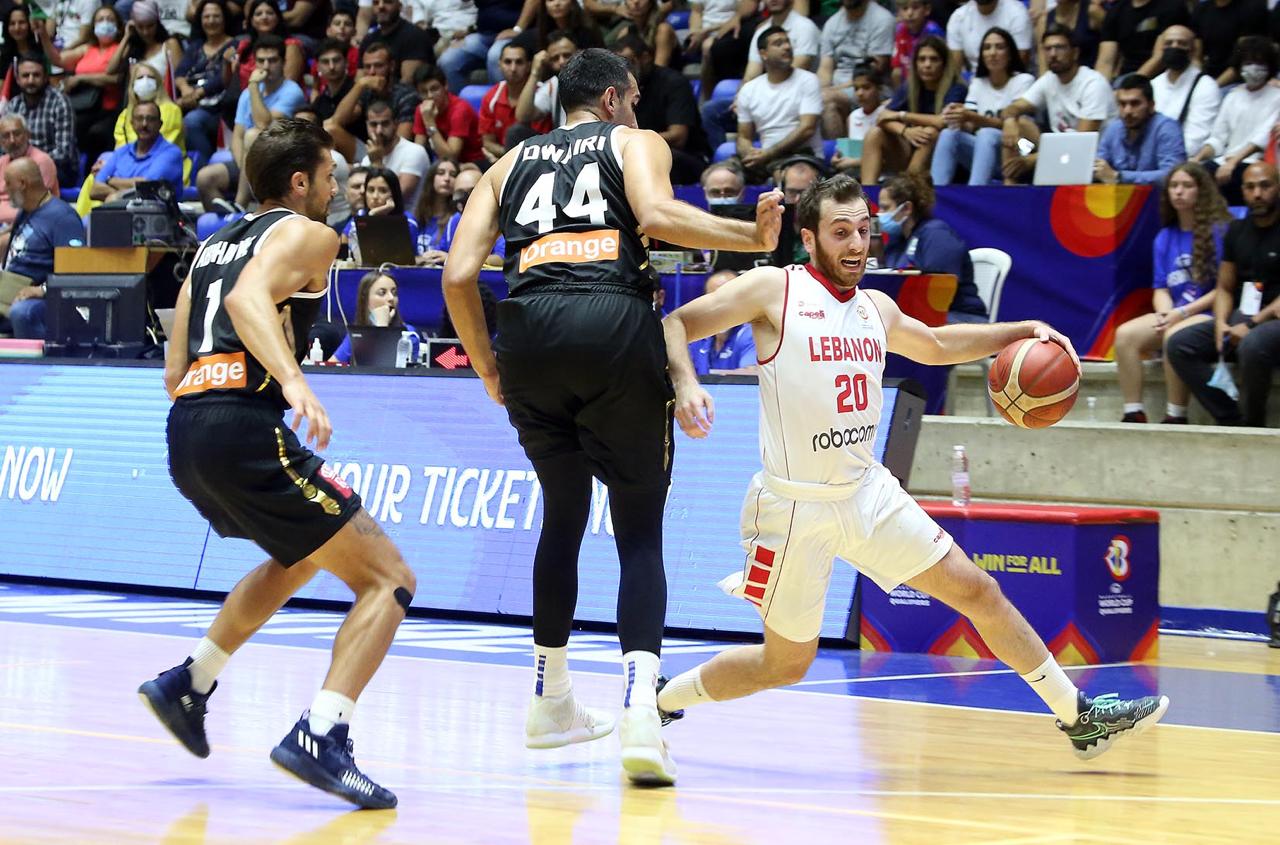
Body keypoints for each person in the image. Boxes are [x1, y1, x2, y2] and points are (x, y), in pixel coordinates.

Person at [656, 172, 1171, 762]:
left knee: (979, 590)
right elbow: (676, 323)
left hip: (867, 492)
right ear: (809, 237)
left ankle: (1078, 717)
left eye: (864, 231)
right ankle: (661, 699)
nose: (857, 244)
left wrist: (1022, 330)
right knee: (785, 664)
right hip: (796, 507)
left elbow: (939, 344)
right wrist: (686, 384)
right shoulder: (775, 288)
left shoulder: (876, 307)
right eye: (841, 232)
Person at [440, 48, 782, 786]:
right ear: (615, 98)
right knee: (638, 529)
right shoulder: (635, 141)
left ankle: (550, 699)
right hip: (611, 322)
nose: (637, 112)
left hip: (527, 336)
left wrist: (489, 367)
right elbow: (656, 215)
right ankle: (640, 716)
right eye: (633, 101)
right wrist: (750, 238)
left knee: (562, 512)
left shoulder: (506, 164)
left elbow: (458, 274)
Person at [137, 118, 412, 810]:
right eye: (329, 178)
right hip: (242, 423)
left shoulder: (211, 245)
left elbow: (173, 370)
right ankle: (323, 733)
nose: (336, 190)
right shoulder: (309, 234)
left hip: (187, 428)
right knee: (389, 580)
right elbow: (247, 299)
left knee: (300, 556)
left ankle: (190, 681)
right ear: (299, 182)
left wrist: (222, 398)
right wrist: (292, 382)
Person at [1114, 162, 1229, 424]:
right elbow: (1161, 288)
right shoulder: (1164, 237)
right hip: (1176, 312)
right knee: (1125, 335)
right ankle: (1133, 412)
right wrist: (1166, 313)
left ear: (1201, 190)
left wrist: (1181, 313)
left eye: (1187, 186)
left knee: (1174, 336)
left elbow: (1223, 289)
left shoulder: (1219, 231)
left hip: (1208, 313)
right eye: (1174, 186)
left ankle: (1176, 414)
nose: (1179, 191)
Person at [1167, 161, 1280, 427]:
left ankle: (1254, 425)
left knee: (1252, 345)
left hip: (1272, 318)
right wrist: (1220, 323)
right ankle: (1230, 418)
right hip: (1243, 315)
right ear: (1242, 191)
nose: (1257, 194)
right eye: (1250, 187)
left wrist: (1250, 325)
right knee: (1180, 344)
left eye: (1265, 186)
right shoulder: (1237, 230)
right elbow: (1225, 286)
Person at [1000, 25, 1113, 185]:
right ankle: (1008, 189)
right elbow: (1013, 108)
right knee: (1018, 125)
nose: (1053, 54)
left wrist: (1033, 159)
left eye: (1059, 48)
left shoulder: (1093, 84)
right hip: (1058, 152)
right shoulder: (1049, 79)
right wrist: (1010, 120)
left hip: (1094, 158)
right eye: (1048, 49)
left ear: (1075, 53)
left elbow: (1081, 142)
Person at [931, 27, 1034, 187]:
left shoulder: (1023, 80)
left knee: (987, 134)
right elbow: (970, 125)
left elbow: (1017, 126)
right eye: (987, 48)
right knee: (948, 134)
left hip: (1020, 148)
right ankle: (934, 193)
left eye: (999, 47)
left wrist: (972, 117)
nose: (992, 53)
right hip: (984, 152)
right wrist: (956, 116)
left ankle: (976, 191)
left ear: (1010, 53)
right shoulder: (978, 82)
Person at [879, 171, 986, 322]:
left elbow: (939, 290)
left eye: (885, 208)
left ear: (906, 208)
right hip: (915, 315)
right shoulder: (897, 240)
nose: (879, 214)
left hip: (959, 317)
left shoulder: (937, 235)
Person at [860, 36, 966, 186]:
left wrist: (902, 115)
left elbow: (942, 121)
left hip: (946, 159)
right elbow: (882, 117)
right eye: (922, 59)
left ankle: (907, 189)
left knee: (929, 132)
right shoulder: (910, 87)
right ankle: (867, 193)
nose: (927, 65)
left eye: (934, 59)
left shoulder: (956, 88)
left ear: (944, 64)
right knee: (874, 133)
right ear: (915, 64)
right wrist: (905, 131)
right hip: (911, 149)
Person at [1189, 36, 1280, 207]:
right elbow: (1218, 138)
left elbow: (1261, 139)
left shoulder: (1277, 97)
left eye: (1259, 63)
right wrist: (1197, 158)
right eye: (1248, 62)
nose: (1253, 68)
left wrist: (1233, 162)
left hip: (1256, 162)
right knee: (1193, 175)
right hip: (1225, 160)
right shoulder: (1232, 96)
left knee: (1235, 178)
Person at [3, 157, 85, 340]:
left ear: (23, 184)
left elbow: (76, 270)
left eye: (8, 183)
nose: (4, 190)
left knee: (22, 312)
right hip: (11, 288)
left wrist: (42, 290)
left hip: (45, 298)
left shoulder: (63, 218)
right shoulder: (26, 211)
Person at [614, 34, 709, 185]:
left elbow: (678, 137)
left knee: (655, 157)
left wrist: (635, 142)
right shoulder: (618, 89)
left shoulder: (673, 83)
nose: (624, 71)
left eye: (629, 62)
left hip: (687, 156)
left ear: (645, 57)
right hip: (636, 149)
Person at [38, 3, 124, 164]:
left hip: (108, 110)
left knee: (95, 134)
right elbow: (58, 59)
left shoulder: (121, 48)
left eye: (110, 19)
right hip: (83, 106)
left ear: (118, 26)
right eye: (100, 20)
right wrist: (43, 36)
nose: (105, 23)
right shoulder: (87, 49)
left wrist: (81, 78)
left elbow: (117, 78)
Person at [736, 28, 823, 182]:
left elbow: (807, 128)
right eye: (778, 43)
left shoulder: (808, 80)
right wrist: (749, 154)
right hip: (764, 157)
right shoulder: (748, 90)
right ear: (763, 54)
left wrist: (769, 154)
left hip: (801, 154)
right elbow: (743, 136)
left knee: (783, 176)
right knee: (724, 173)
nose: (787, 47)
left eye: (788, 42)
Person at [323, 40, 420, 164]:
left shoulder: (406, 95)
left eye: (378, 66)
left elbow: (403, 139)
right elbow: (337, 120)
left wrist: (377, 158)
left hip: (396, 154)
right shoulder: (367, 91)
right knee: (329, 129)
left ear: (391, 66)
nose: (372, 72)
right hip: (369, 150)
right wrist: (360, 85)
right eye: (367, 67)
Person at [817, 0, 896, 141]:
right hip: (837, 89)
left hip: (869, 85)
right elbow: (825, 68)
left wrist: (832, 91)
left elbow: (874, 70)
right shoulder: (832, 23)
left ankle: (839, 152)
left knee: (826, 99)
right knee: (811, 99)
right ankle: (835, 152)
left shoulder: (882, 19)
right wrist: (818, 90)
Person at [1094, 74, 1185, 187]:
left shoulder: (1167, 128)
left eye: (1135, 104)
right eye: (1122, 104)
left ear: (1151, 105)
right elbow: (1098, 164)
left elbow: (1172, 174)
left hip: (1156, 197)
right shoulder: (1113, 129)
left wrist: (1119, 177)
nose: (1127, 111)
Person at [2, 54, 79, 187]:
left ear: (45, 78)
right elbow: (4, 147)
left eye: (36, 75)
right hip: (18, 166)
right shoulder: (13, 105)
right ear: (18, 79)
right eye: (25, 76)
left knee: (21, 183)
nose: (31, 80)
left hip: (57, 167)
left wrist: (29, 164)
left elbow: (63, 153)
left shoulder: (59, 102)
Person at [175, 0, 237, 162]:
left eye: (216, 16)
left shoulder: (234, 45)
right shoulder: (196, 46)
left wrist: (197, 94)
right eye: (207, 16)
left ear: (225, 18)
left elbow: (223, 79)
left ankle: (205, 169)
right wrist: (185, 89)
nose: (211, 21)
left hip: (219, 107)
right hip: (191, 100)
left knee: (192, 121)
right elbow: (180, 73)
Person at [1151, 25, 1222, 161]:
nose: (1174, 47)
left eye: (1181, 43)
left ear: (1192, 51)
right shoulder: (1154, 84)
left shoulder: (1205, 86)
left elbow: (1195, 140)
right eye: (1169, 43)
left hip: (1183, 159)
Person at [90, 100, 185, 200]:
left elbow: (148, 187)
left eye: (151, 119)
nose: (144, 124)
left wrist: (110, 180)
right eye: (139, 119)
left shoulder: (171, 153)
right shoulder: (121, 152)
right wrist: (119, 195)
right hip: (117, 208)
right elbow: (94, 190)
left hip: (156, 209)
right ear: (132, 123)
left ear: (160, 124)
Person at [330, 269, 420, 364]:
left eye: (394, 293)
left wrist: (382, 326)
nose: (391, 298)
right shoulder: (357, 334)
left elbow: (383, 366)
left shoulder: (409, 334)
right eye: (382, 293)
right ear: (365, 299)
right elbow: (331, 366)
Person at [478, 42, 548, 161]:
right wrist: (507, 157)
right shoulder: (491, 97)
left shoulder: (543, 93)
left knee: (516, 131)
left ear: (529, 66)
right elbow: (488, 143)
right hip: (503, 158)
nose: (513, 68)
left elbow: (545, 142)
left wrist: (509, 157)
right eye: (507, 62)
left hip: (538, 159)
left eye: (519, 62)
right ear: (499, 64)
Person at [1094, 0, 1188, 82]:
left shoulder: (1171, 6)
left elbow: (1159, 56)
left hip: (1161, 76)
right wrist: (1102, 87)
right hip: (1125, 76)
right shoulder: (1116, 11)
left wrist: (1132, 84)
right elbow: (1105, 62)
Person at [362, 98, 430, 211]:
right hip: (378, 218)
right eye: (373, 125)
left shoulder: (414, 152)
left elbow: (398, 197)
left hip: (408, 218)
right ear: (367, 126)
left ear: (395, 124)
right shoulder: (367, 160)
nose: (379, 130)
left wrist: (377, 163)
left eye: (385, 124)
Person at [343, 165, 420, 264]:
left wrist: (373, 219)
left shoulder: (408, 221)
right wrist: (371, 216)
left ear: (394, 194)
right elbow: (345, 244)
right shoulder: (360, 215)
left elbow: (395, 259)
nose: (375, 196)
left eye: (383, 191)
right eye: (371, 190)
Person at [411, 64, 484, 165]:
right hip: (444, 164)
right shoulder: (422, 110)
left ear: (445, 85)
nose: (430, 96)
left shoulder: (460, 110)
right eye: (423, 92)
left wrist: (430, 123)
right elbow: (417, 151)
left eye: (434, 89)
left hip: (474, 163)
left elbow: (451, 157)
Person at [688, 270, 756, 375]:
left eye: (728, 297)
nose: (720, 305)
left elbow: (751, 374)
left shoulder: (751, 334)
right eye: (713, 297)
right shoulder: (697, 336)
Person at [1190, 0, 1268, 87]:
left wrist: (1214, 86)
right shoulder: (1201, 9)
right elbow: (1196, 57)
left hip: (1240, 79)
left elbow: (1242, 61)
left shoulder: (1252, 9)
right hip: (1209, 76)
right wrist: (1200, 83)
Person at [831, 62, 889, 179]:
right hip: (854, 176)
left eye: (866, 87)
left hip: (882, 177)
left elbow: (889, 159)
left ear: (879, 89)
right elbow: (849, 150)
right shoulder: (852, 117)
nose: (860, 93)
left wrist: (853, 162)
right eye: (856, 88)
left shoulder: (886, 114)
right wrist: (837, 158)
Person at [0, 115, 60, 228]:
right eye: (6, 136)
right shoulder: (1, 162)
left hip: (31, 224)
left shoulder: (41, 161)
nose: (12, 140)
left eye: (17, 134)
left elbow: (35, 205)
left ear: (28, 134)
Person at [741, 0, 821, 85]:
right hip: (774, 85)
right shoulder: (761, 31)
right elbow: (751, 76)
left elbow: (799, 68)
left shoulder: (805, 27)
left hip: (802, 86)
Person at [359, 0, 435, 84]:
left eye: (387, 2)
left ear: (400, 6)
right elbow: (359, 80)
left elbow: (408, 83)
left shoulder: (415, 36)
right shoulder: (368, 40)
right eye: (376, 3)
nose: (380, 6)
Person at [945, 0, 1032, 72]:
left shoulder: (1016, 12)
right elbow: (955, 67)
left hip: (1011, 78)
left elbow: (1020, 61)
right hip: (974, 80)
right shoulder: (958, 17)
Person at [891, 0, 944, 86]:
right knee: (896, 73)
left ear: (927, 9)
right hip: (908, 80)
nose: (910, 13)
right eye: (905, 8)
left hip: (929, 79)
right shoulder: (900, 29)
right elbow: (897, 65)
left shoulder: (933, 31)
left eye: (915, 8)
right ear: (899, 12)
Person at [415, 158, 459, 253]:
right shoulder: (418, 217)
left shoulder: (457, 219)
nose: (447, 178)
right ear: (431, 179)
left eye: (453, 175)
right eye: (441, 173)